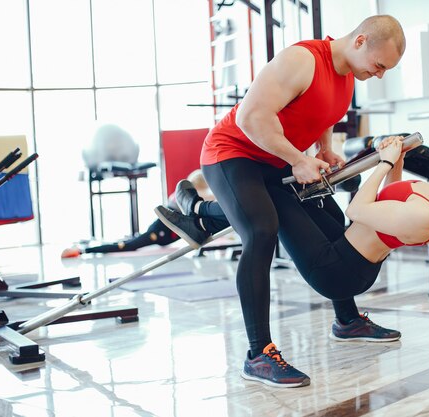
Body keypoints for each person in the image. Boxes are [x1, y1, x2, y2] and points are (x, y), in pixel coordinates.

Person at [156, 15, 407, 388]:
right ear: (360, 42)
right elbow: (250, 116)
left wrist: (324, 147)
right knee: (261, 229)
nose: (380, 74)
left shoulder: (348, 75)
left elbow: (323, 112)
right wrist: (298, 159)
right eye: (380, 64)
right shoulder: (302, 60)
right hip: (232, 153)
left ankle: (347, 320)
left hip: (274, 158)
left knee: (331, 221)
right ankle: (258, 355)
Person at [155, 136, 429, 386]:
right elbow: (386, 201)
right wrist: (394, 164)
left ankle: (197, 210)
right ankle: (348, 322)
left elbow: (359, 208)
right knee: (301, 190)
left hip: (336, 269)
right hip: (348, 250)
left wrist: (382, 162)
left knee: (273, 191)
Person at [61, 170, 227, 258]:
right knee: (129, 245)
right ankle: (85, 250)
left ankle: (87, 247)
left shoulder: (198, 194)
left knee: (131, 241)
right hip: (163, 228)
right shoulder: (180, 197)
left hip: (172, 233)